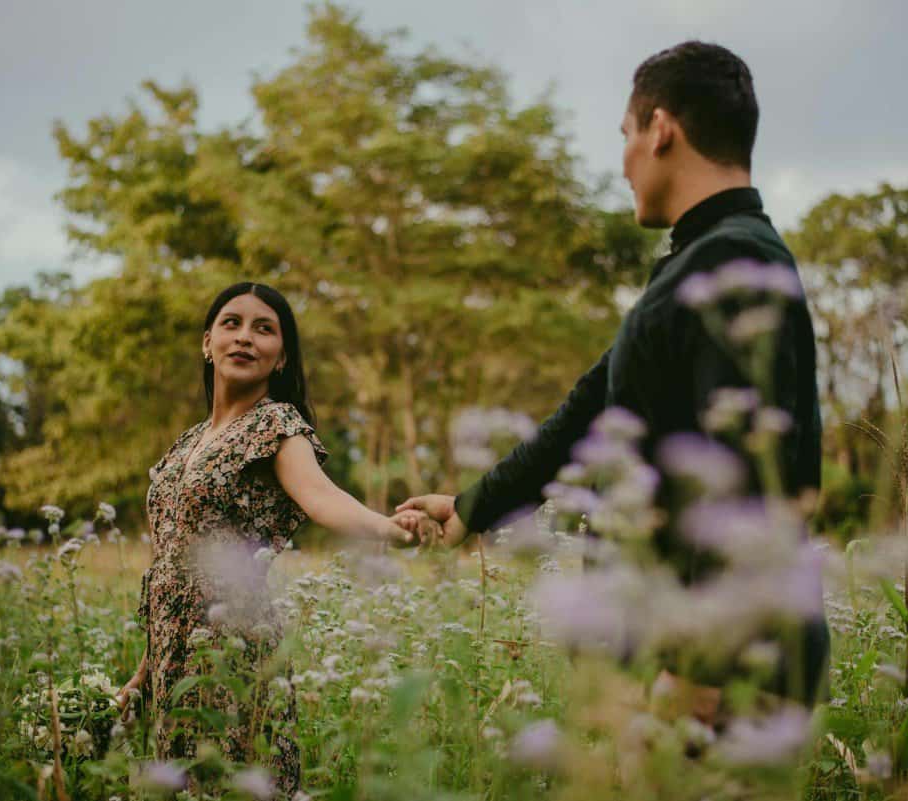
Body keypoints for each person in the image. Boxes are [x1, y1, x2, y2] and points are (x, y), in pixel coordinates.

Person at [398, 41, 829, 708]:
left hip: (720, 682)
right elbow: (588, 411)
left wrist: (697, 672)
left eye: (625, 134)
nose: (623, 161)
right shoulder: (696, 263)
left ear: (661, 130)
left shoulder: (734, 261)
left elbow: (744, 475)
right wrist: (471, 506)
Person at [116, 282, 431, 796]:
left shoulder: (278, 426)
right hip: (173, 657)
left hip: (232, 650)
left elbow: (321, 497)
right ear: (207, 343)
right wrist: (144, 670)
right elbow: (172, 569)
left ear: (281, 358)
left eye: (264, 329)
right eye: (231, 323)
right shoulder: (189, 441)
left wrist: (389, 530)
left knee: (230, 782)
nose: (245, 338)